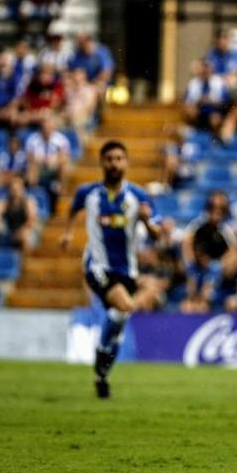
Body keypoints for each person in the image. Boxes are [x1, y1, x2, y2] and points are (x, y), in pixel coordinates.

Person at [60, 141, 161, 399]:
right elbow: (72, 211)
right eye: (109, 159)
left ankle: (101, 371)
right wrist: (68, 234)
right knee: (125, 306)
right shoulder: (88, 193)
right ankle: (102, 358)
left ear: (126, 163)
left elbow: (158, 233)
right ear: (102, 162)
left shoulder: (139, 197)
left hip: (127, 270)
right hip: (97, 265)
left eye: (119, 158)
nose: (114, 163)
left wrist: (147, 221)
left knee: (119, 318)